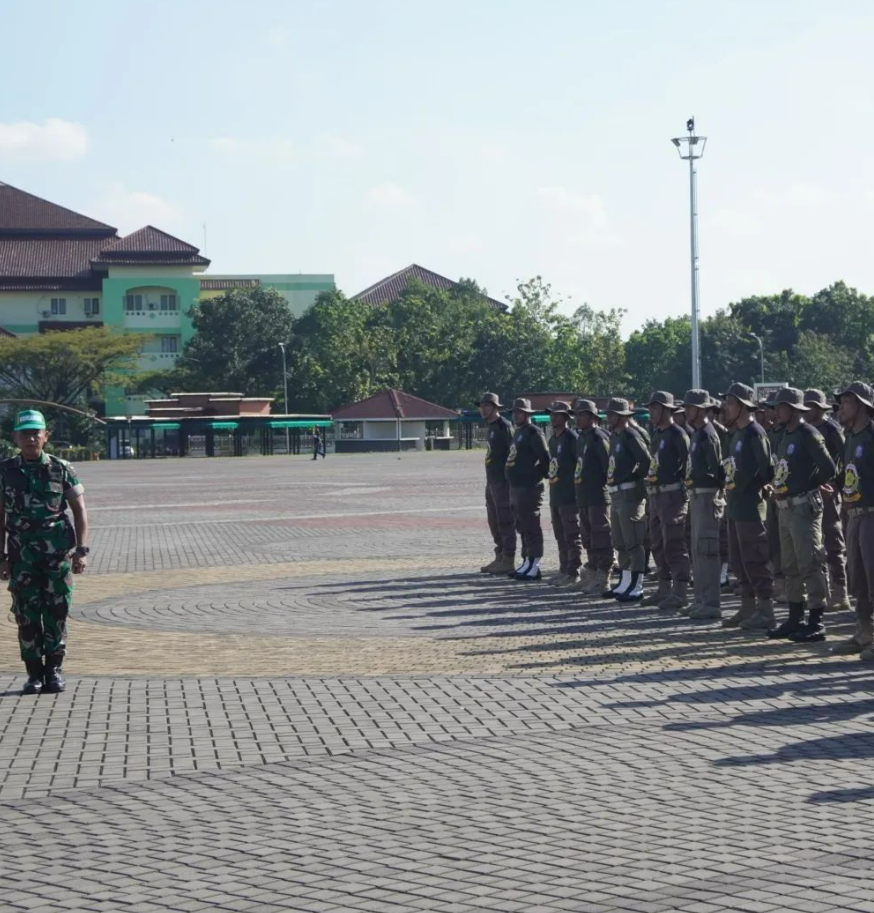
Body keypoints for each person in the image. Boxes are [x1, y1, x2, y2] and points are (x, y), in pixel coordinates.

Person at [0, 410, 88, 695]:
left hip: (56, 557)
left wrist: (81, 551)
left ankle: (54, 671)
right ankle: (33, 674)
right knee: (26, 615)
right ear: (15, 437)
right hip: (21, 557)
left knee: (57, 612)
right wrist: (1, 557)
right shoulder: (5, 471)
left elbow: (79, 511)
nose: (30, 438)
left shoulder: (61, 468)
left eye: (36, 432)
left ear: (46, 436)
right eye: (24, 433)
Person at [766, 388, 835, 642]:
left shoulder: (808, 433)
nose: (776, 411)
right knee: (790, 565)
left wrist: (808, 484)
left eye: (781, 407)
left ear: (794, 409)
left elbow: (828, 468)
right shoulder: (785, 435)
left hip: (803, 506)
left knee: (810, 561)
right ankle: (795, 617)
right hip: (785, 507)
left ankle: (816, 620)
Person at [721, 382, 775, 630]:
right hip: (734, 505)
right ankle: (747, 607)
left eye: (731, 403)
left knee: (755, 558)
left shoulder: (755, 432)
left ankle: (766, 610)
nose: (726, 407)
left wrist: (759, 487)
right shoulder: (736, 434)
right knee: (738, 559)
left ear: (743, 406)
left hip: (751, 507)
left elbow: (766, 469)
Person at [833, 382, 874, 661]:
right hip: (853, 514)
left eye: (846, 402)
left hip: (872, 514)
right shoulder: (850, 437)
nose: (841, 408)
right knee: (857, 576)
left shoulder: (871, 435)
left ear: (859, 406)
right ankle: (863, 631)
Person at [642, 392, 691, 611]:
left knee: (674, 542)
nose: (651, 412)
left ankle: (680, 591)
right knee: (657, 543)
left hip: (672, 496)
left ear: (666, 410)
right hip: (655, 495)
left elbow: (688, 466)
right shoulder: (657, 435)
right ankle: (663, 587)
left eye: (655, 408)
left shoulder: (678, 434)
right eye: (651, 408)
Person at [804, 388, 850, 611]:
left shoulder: (831, 429)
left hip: (829, 494)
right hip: (809, 494)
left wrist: (835, 486)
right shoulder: (804, 429)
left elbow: (845, 459)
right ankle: (822, 591)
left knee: (833, 542)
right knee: (814, 544)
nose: (807, 410)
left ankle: (840, 592)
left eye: (811, 406)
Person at [683, 391, 725, 620]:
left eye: (690, 408)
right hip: (697, 495)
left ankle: (711, 603)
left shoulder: (708, 434)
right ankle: (700, 598)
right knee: (697, 550)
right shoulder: (697, 433)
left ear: (701, 410)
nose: (687, 412)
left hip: (708, 497)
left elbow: (716, 471)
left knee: (707, 550)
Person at [604, 397, 650, 601]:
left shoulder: (631, 435)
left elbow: (646, 461)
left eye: (613, 414)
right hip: (615, 492)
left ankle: (637, 584)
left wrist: (633, 477)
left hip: (630, 493)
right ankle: (624, 580)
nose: (609, 417)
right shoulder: (614, 436)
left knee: (633, 541)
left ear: (622, 416)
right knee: (619, 541)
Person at [505, 397, 550, 581]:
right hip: (517, 488)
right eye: (514, 412)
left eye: (519, 412)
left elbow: (545, 458)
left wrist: (534, 475)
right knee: (521, 525)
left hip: (530, 488)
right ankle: (526, 560)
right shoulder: (518, 432)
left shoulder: (534, 432)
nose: (516, 415)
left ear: (527, 414)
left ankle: (534, 562)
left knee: (531, 525)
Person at [572, 398, 613, 595]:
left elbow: (608, 467)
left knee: (601, 535)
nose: (578, 418)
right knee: (587, 536)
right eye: (577, 415)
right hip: (584, 495)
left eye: (582, 415)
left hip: (598, 496)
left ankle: (604, 576)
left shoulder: (599, 437)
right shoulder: (582, 437)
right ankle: (592, 571)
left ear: (592, 417)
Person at [477, 392, 516, 575]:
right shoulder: (491, 426)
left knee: (505, 520)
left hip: (503, 482)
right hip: (491, 481)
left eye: (487, 406)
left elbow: (513, 454)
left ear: (495, 408)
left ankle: (508, 558)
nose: (483, 409)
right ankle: (499, 555)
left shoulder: (504, 426)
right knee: (494, 521)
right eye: (482, 406)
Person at [545, 401, 582, 587]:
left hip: (569, 495)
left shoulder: (572, 438)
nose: (553, 417)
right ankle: (563, 569)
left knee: (572, 535)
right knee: (560, 535)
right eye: (552, 414)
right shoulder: (553, 439)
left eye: (557, 414)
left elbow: (580, 466)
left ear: (567, 417)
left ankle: (574, 571)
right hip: (555, 494)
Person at [763, 391, 787, 603]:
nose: (771, 412)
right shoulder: (770, 434)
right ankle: (779, 582)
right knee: (774, 540)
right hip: (774, 495)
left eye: (774, 407)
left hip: (792, 496)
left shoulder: (796, 433)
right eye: (771, 408)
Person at [708, 399, 732, 586]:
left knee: (723, 533)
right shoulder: (701, 432)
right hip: (712, 488)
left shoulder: (724, 433)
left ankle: (724, 571)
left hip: (724, 488)